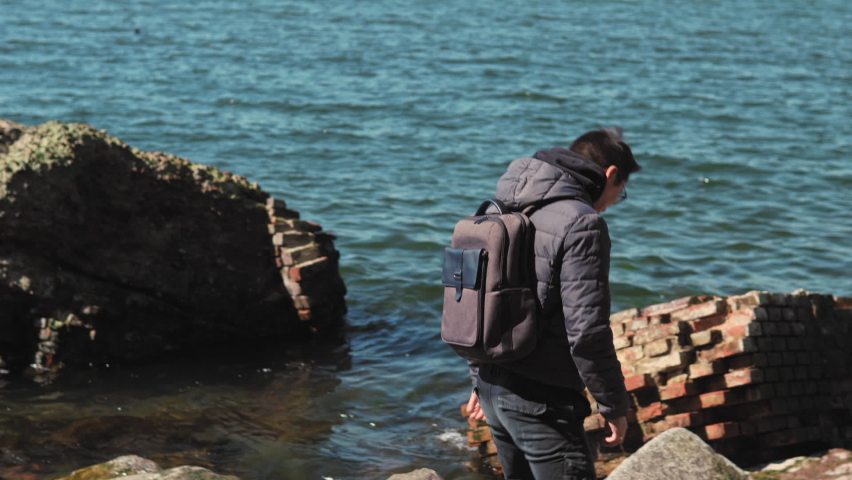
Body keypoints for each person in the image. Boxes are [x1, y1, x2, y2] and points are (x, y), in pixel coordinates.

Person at [465, 128, 641, 480]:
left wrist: (477, 376)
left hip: (492, 388)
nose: (612, 202)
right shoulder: (583, 223)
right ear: (610, 175)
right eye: (621, 192)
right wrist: (614, 405)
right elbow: (587, 331)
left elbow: (476, 299)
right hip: (539, 400)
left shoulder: (503, 205)